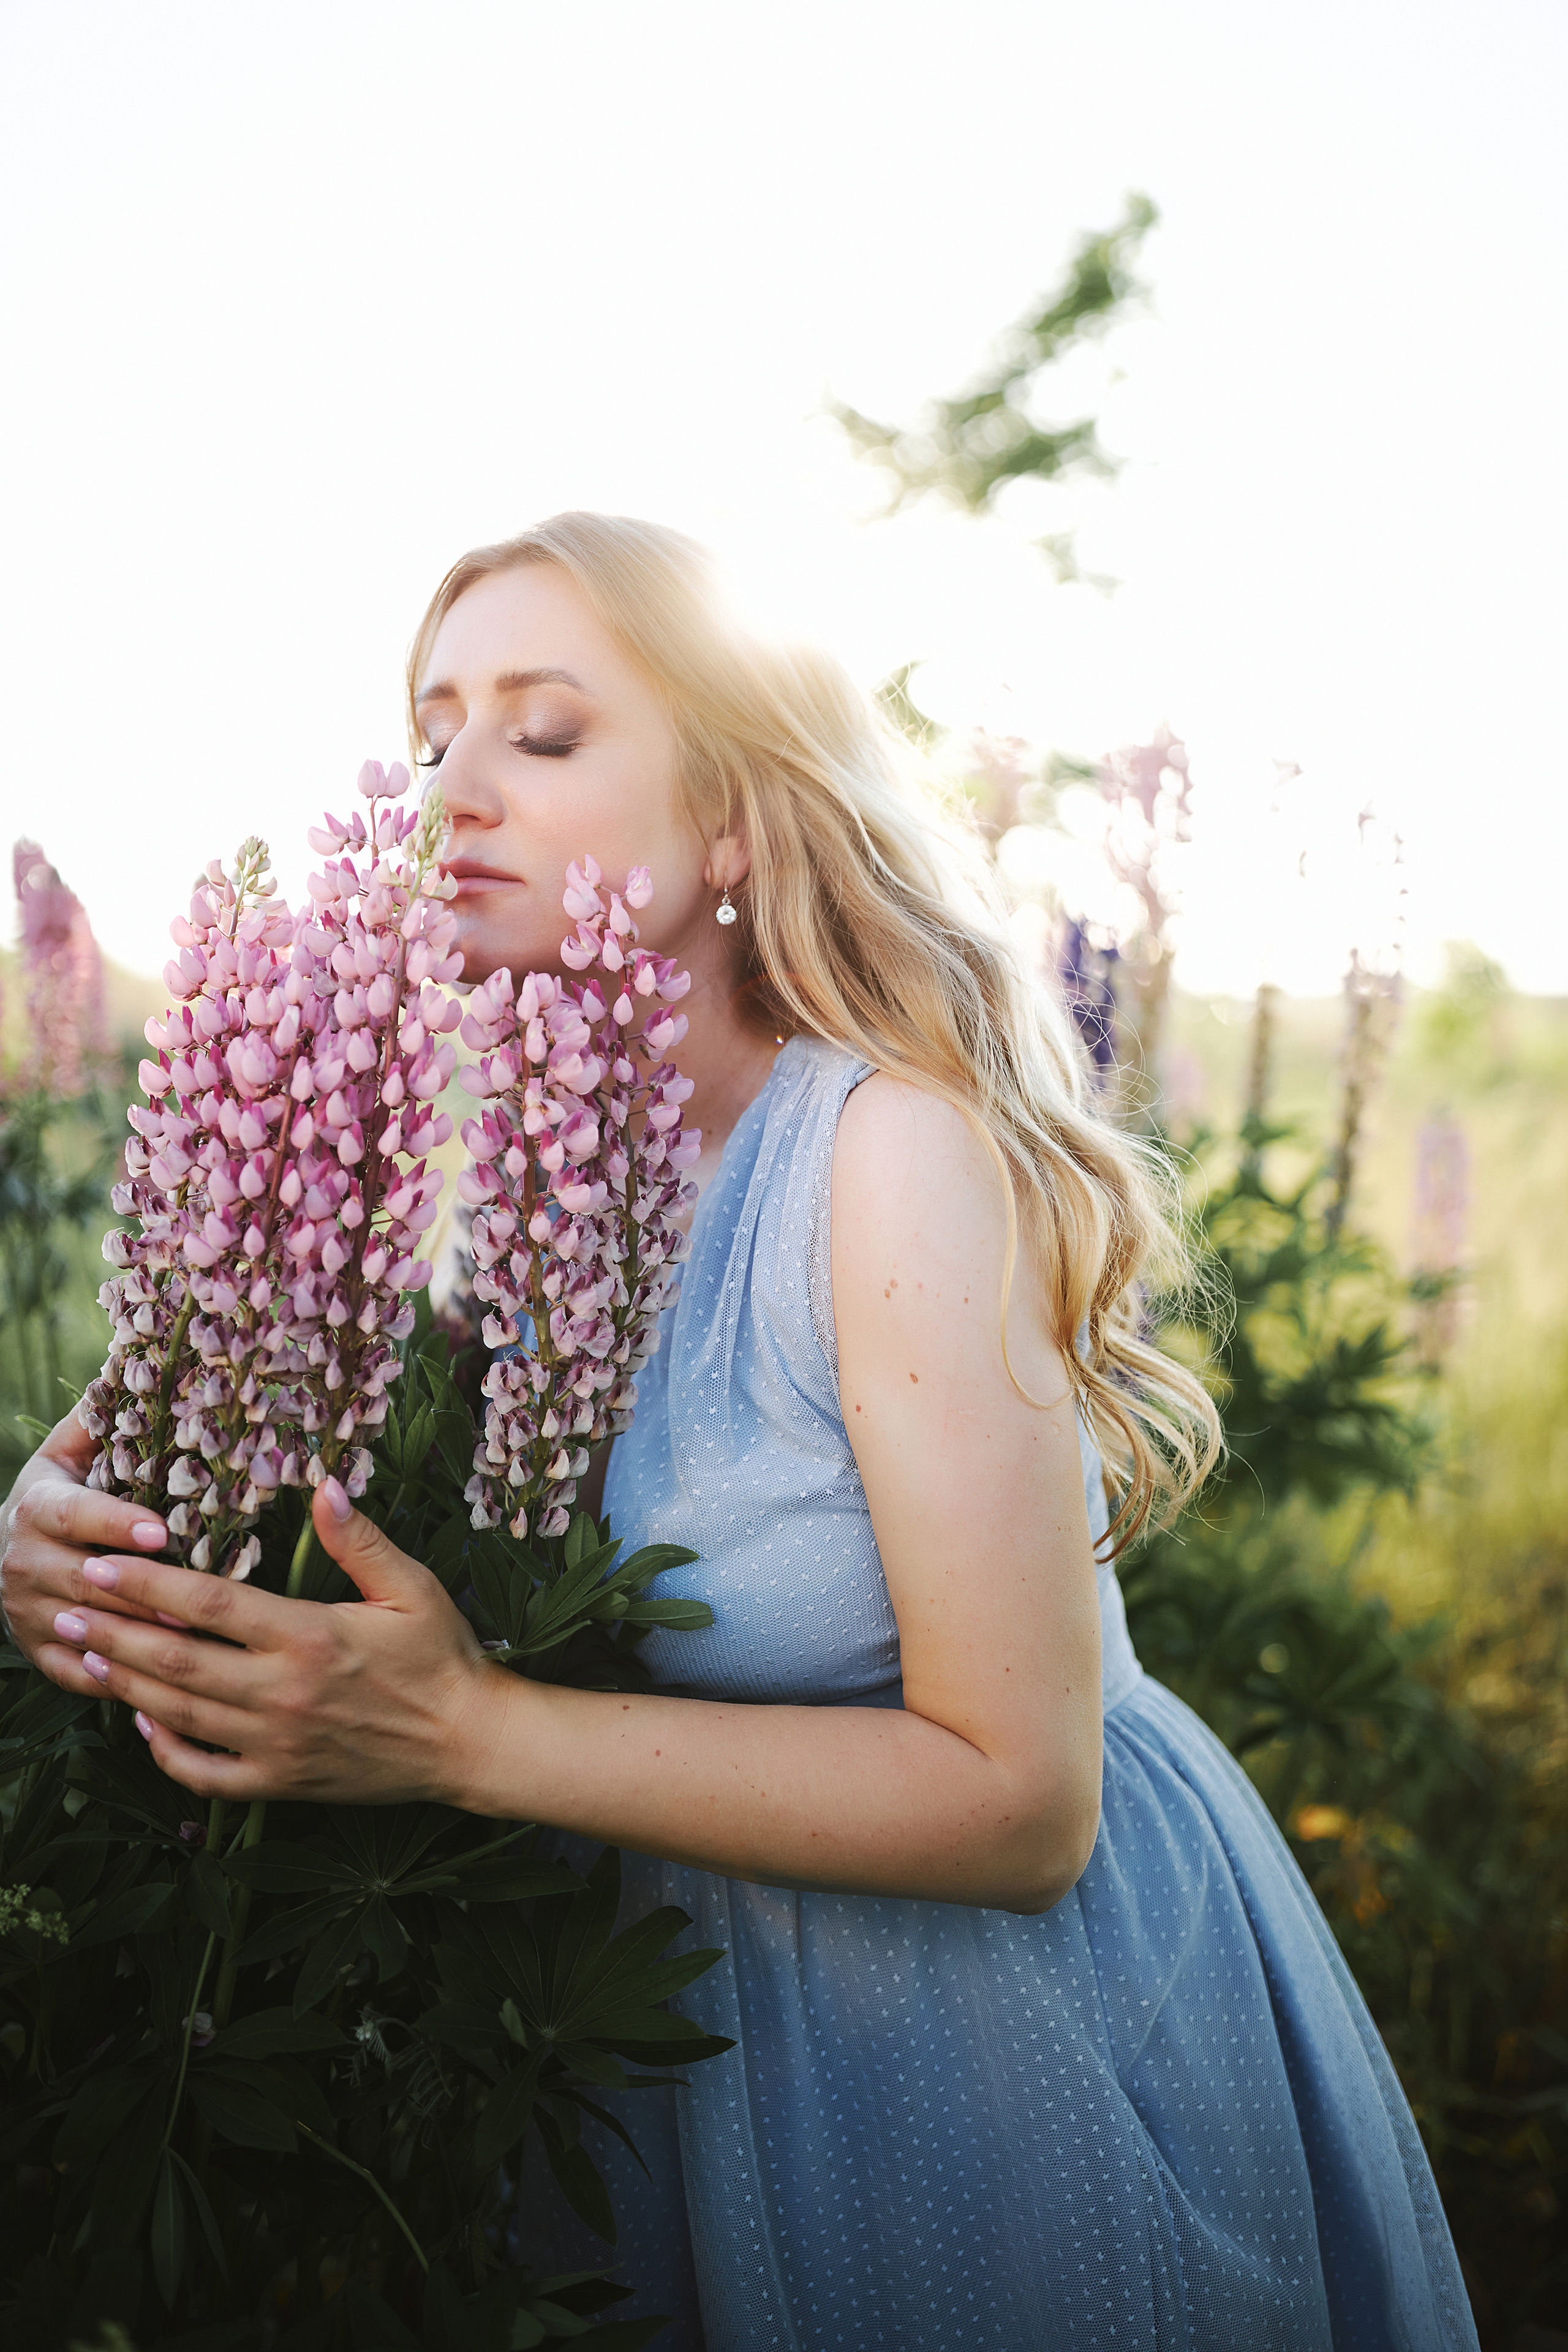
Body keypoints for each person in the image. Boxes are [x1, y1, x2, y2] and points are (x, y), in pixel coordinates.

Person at [0, 514, 1477, 2351]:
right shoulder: (514, 1170)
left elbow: (1025, 1806)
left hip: (983, 2055)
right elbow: (232, 1387)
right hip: (643, 2040)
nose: (451, 784)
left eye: (541, 735)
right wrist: (57, 1514)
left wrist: (464, 1730)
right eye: (431, 726)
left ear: (730, 829)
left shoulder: (894, 1152)